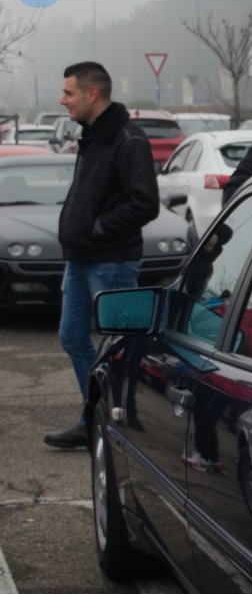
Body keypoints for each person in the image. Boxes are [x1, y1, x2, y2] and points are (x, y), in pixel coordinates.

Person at [45, 61, 159, 449]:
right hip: (79, 259)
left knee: (117, 348)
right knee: (72, 337)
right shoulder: (92, 135)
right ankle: (93, 415)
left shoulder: (128, 139)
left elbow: (145, 203)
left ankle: (119, 426)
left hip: (111, 261)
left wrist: (97, 229)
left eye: (68, 93)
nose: (63, 100)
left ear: (92, 93)